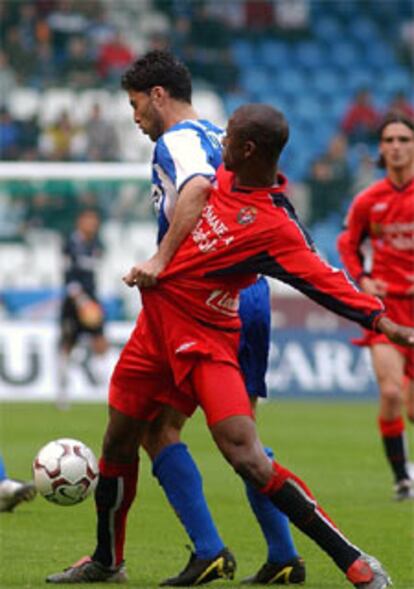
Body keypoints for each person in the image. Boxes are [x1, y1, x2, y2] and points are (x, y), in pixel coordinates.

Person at [47, 103, 409, 588]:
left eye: (229, 137)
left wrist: (381, 320)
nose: (220, 144)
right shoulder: (218, 174)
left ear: (248, 148)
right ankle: (107, 560)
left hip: (207, 337)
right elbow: (192, 188)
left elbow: (324, 280)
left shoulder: (275, 226)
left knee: (247, 454)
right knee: (119, 439)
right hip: (154, 330)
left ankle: (355, 563)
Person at [48, 50, 304, 586]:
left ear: (158, 96)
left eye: (136, 104)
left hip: (200, 299)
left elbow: (197, 189)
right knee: (218, 435)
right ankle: (278, 554)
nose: (135, 117)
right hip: (247, 290)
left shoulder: (178, 141)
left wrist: (161, 258)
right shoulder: (219, 132)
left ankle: (201, 550)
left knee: (168, 432)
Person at [338, 112, 414, 501]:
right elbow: (346, 243)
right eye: (389, 140)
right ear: (381, 149)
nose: (396, 147)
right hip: (387, 311)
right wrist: (363, 279)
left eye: (404, 139)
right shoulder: (370, 199)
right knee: (390, 394)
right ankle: (402, 479)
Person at [57, 207, 108, 409]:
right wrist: (79, 300)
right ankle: (62, 391)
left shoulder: (97, 244)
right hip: (74, 301)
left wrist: (90, 300)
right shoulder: (70, 243)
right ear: (80, 221)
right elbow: (67, 274)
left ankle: (106, 388)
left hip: (92, 299)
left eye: (94, 221)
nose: (92, 224)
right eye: (89, 220)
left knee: (100, 340)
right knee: (68, 343)